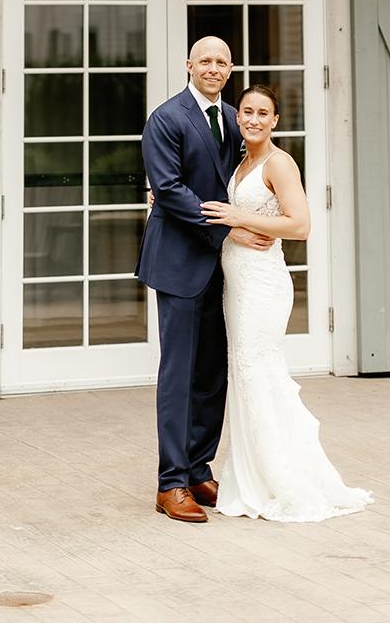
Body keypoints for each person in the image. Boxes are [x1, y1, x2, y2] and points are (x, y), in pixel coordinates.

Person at [201, 83, 373, 523]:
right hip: (235, 284)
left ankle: (286, 481)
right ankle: (252, 477)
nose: (254, 119)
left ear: (275, 120)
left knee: (260, 372)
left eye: (263, 113)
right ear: (237, 116)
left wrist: (239, 216)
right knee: (246, 375)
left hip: (263, 285)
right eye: (247, 112)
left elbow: (300, 225)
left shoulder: (280, 163)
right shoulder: (239, 161)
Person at [136, 37, 272, 523]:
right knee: (179, 375)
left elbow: (250, 170)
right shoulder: (166, 118)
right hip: (179, 261)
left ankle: (198, 468)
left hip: (226, 263)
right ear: (189, 65)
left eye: (222, 62)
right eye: (205, 61)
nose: (213, 68)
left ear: (231, 68)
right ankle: (170, 482)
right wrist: (228, 224)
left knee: (213, 373)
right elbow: (168, 189)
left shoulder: (237, 117)